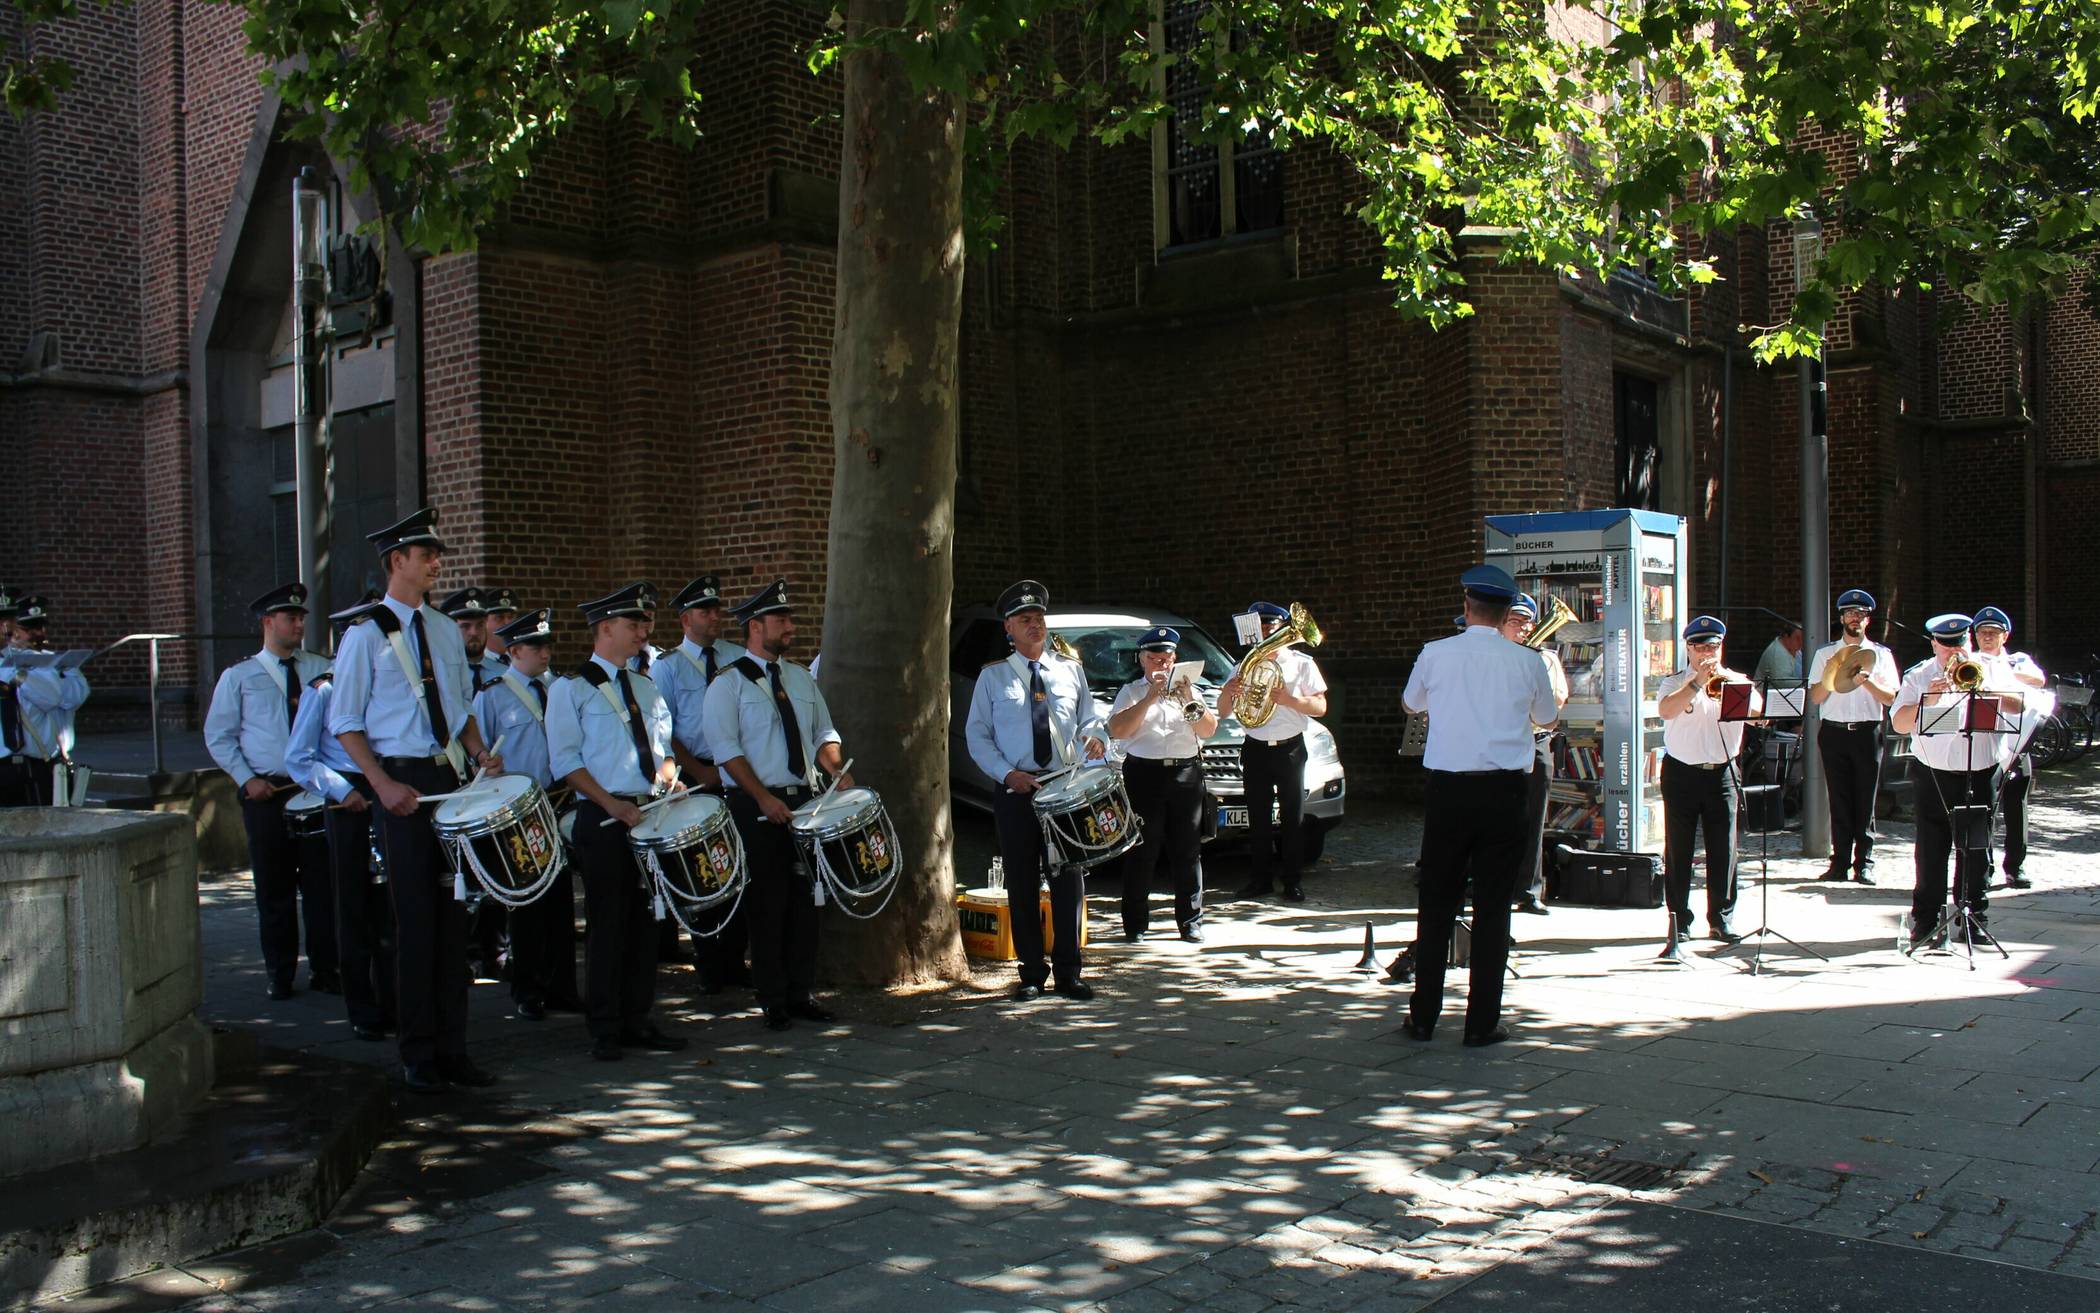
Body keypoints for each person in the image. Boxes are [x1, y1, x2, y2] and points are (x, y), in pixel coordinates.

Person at [329, 508, 505, 1094]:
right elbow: (346, 723)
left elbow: (459, 709)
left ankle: (454, 1049)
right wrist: (379, 784)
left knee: (454, 921)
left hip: (450, 779)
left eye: (437, 554)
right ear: (396, 561)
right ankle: (418, 1052)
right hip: (401, 783)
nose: (436, 563)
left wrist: (481, 755)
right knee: (415, 924)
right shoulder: (364, 635)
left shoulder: (444, 629)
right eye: (425, 554)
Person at [1400, 565, 1558, 1046]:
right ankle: (1482, 1022)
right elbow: (1547, 716)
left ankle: (1424, 1016)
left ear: (1467, 608)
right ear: (1506, 612)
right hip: (1505, 791)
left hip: (1449, 789)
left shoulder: (1435, 653)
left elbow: (1411, 703)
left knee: (1436, 901)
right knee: (1493, 907)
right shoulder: (1527, 660)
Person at [547, 583, 688, 1061]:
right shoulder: (571, 688)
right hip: (604, 818)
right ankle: (604, 1025)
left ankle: (638, 1017)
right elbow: (566, 761)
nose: (643, 632)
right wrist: (610, 803)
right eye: (634, 625)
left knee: (646, 921)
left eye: (644, 624)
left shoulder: (646, 686)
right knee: (608, 924)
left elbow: (664, 750)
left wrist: (670, 778)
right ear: (604, 628)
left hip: (647, 814)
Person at [701, 579, 851, 1031]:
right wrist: (763, 798)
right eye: (780, 619)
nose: (790, 626)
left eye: (790, 618)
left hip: (804, 803)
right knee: (767, 904)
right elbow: (726, 751)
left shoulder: (800, 677)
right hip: (754, 806)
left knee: (806, 902)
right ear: (754, 626)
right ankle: (773, 1000)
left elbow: (824, 735)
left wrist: (842, 778)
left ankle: (801, 992)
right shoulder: (727, 685)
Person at [962, 580, 1106, 1000]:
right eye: (1025, 619)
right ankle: (1030, 973)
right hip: (1017, 791)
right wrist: (1008, 775)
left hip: (1063, 789)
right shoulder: (992, 677)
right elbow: (978, 737)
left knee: (1068, 882)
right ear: (1008, 627)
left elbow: (1089, 718)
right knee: (1022, 883)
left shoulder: (1070, 670)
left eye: (1039, 618)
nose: (1035, 625)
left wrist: (1097, 736)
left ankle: (1069, 972)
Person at [204, 582, 340, 1000]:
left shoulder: (319, 667)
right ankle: (279, 972)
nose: (299, 624)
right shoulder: (240, 676)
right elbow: (219, 735)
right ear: (268, 623)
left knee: (322, 888)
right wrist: (247, 779)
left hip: (314, 791)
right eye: (290, 618)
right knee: (274, 889)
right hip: (267, 792)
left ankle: (326, 969)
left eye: (301, 618)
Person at [285, 592, 395, 1039]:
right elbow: (299, 758)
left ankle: (393, 999)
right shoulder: (324, 687)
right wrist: (343, 789)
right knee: (353, 904)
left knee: (391, 906)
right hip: (348, 798)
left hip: (388, 790)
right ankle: (362, 1008)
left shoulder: (391, 683)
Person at [1892, 613, 2026, 946]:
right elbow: (1898, 722)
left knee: (1976, 847)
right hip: (1935, 773)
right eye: (1947, 644)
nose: (1954, 651)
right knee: (1931, 849)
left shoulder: (1992, 668)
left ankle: (1975, 917)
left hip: (1980, 770)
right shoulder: (1920, 675)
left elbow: (2017, 705)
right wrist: (1930, 700)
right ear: (1934, 643)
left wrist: (1985, 687)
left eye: (1960, 643)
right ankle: (1925, 921)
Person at [475, 608, 581, 1022]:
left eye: (547, 643)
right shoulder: (492, 694)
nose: (545, 651)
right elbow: (477, 752)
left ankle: (562, 988)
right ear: (514, 649)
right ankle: (528, 989)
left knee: (560, 902)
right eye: (536, 645)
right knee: (526, 902)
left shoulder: (562, 689)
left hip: (561, 799)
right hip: (520, 806)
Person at [652, 574, 753, 994]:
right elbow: (664, 727)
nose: (715, 617)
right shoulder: (668, 666)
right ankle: (710, 961)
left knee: (741, 867)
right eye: (705, 611)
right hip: (698, 774)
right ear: (685, 619)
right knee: (707, 871)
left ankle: (735, 958)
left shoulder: (734, 655)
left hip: (739, 770)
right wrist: (697, 769)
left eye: (716, 610)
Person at [1108, 626, 1221, 943]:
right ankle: (1135, 924)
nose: (1162, 665)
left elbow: (1209, 730)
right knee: (1142, 851)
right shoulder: (1131, 691)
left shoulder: (1191, 691)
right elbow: (1118, 730)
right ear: (1142, 660)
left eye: (1167, 658)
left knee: (1188, 851)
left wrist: (1187, 698)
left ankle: (1191, 921)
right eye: (1155, 659)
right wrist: (1149, 698)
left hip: (1186, 774)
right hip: (1145, 775)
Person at [1656, 616, 1759, 945]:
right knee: (1678, 850)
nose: (1705, 653)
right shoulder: (1675, 682)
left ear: (1720, 647)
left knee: (1724, 849)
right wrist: (1697, 682)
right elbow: (1667, 711)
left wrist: (1728, 681)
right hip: (1681, 771)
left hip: (1722, 772)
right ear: (1688, 648)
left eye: (1712, 646)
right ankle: (1679, 921)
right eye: (1699, 647)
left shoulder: (1736, 680)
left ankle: (1721, 919)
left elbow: (1758, 714)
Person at [1221, 601, 1329, 905]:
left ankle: (1292, 881)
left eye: (1272, 627)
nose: (1267, 631)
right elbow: (1223, 711)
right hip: (1255, 748)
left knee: (1293, 818)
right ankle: (1260, 880)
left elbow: (1321, 707)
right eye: (1262, 627)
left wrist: (1290, 699)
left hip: (1290, 748)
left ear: (1282, 628)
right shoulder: (1243, 665)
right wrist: (1229, 692)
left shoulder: (1302, 663)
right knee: (1257, 818)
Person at [1805, 589, 1900, 884]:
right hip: (1834, 732)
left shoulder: (1882, 655)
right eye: (1849, 614)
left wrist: (1867, 682)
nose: (1854, 619)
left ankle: (1865, 863)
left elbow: (1889, 699)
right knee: (1839, 798)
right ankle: (1840, 862)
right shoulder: (1825, 653)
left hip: (1867, 732)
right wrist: (1834, 673)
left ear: (1867, 620)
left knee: (1866, 798)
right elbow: (1816, 698)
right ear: (1842, 618)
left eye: (1860, 615)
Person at [1496, 593, 1568, 917]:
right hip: (1502, 740)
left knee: (1535, 818)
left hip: (1537, 740)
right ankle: (1495, 882)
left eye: (1526, 623)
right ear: (1501, 624)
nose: (1522, 629)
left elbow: (1559, 700)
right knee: (1498, 816)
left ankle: (1529, 889)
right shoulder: (1493, 656)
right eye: (1515, 621)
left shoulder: (1547, 658)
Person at [1973, 606, 2047, 890]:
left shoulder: (2018, 660)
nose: (1987, 637)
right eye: (1982, 632)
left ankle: (2015, 866)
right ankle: (1984, 867)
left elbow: (2038, 680)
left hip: (2017, 742)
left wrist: (2001, 671)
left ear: (2005, 636)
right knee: (1984, 808)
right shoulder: (1971, 661)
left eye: (1993, 632)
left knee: (2016, 806)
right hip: (1987, 744)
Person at [6, 595, 91, 806]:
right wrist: (36, 678)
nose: (39, 634)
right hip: (27, 762)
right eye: (31, 629)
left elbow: (76, 695)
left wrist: (44, 679)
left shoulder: (55, 660)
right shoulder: (11, 663)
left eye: (41, 627)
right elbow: (51, 697)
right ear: (15, 631)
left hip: (58, 759)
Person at [1753, 622, 1806, 689]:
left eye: (1802, 638)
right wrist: (1807, 684)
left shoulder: (1796, 650)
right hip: (1768, 696)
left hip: (1788, 694)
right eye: (1797, 638)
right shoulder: (1777, 653)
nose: (1801, 642)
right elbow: (1781, 681)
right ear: (1786, 636)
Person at [483, 586, 522, 667]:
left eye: (511, 617)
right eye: (499, 617)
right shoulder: (476, 664)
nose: (507, 623)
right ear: (484, 622)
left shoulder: (524, 660)